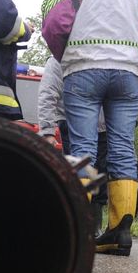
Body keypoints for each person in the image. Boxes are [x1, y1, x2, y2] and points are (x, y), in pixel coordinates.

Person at [41, 0, 138, 256]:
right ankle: (120, 232)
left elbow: (52, 18)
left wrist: (63, 54)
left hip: (83, 68)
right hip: (125, 74)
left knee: (82, 148)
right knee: (122, 146)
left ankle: (80, 230)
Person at [37, 55, 108, 233]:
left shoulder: (102, 53)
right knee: (79, 176)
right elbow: (48, 93)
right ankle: (78, 224)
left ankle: (94, 226)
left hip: (103, 128)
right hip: (72, 125)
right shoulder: (58, 58)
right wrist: (47, 130)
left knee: (100, 179)